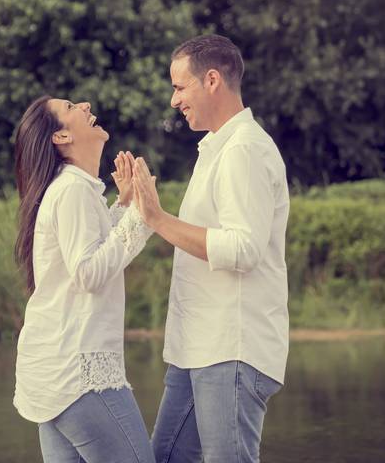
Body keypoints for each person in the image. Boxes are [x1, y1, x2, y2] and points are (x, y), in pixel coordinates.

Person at [131, 35, 290, 463]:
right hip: (197, 349)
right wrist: (138, 210)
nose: (173, 100)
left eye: (180, 87)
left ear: (213, 80)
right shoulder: (216, 149)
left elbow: (243, 249)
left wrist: (158, 219)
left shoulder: (244, 150)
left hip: (231, 349)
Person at [12, 95, 160, 463]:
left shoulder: (71, 188)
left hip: (55, 376)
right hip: (79, 376)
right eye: (70, 108)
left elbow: (88, 253)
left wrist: (125, 205)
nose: (85, 105)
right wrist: (143, 214)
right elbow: (89, 273)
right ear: (60, 137)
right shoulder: (72, 189)